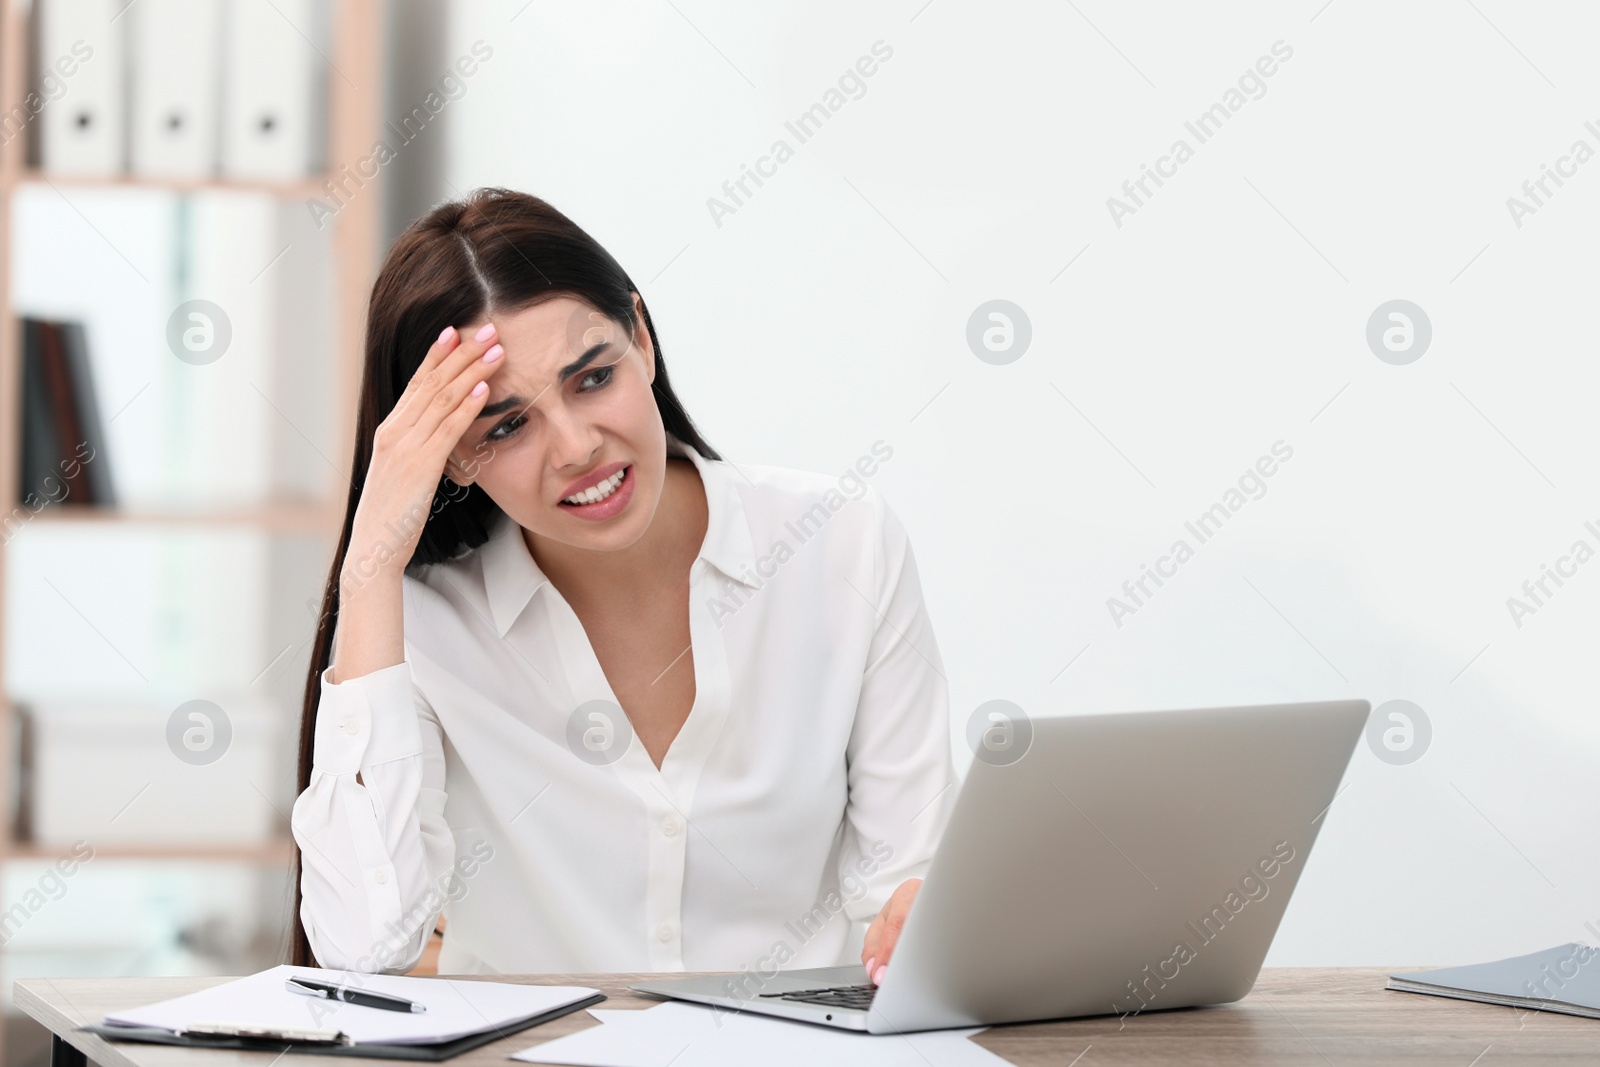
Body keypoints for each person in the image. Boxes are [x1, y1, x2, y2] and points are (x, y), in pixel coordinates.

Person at [289, 188, 955, 987]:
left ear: (640, 338)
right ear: (452, 456)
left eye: (593, 377)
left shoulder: (845, 543)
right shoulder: (423, 622)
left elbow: (908, 880)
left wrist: (921, 913)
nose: (576, 447)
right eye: (505, 426)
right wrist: (371, 565)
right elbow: (367, 946)